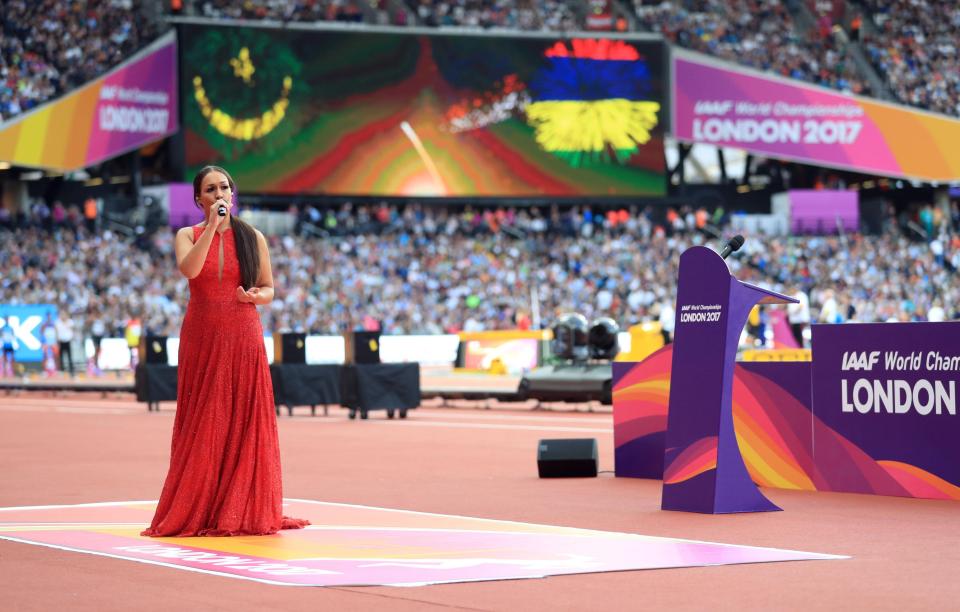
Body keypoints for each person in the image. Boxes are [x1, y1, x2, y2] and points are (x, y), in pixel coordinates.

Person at [142, 166, 309, 537]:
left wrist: (254, 297)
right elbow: (190, 269)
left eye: (224, 187)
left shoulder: (253, 238)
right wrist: (213, 231)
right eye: (211, 189)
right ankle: (200, 505)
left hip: (243, 332)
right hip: (201, 336)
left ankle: (240, 505)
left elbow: (268, 288)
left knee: (242, 418)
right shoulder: (187, 235)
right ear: (199, 199)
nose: (219, 194)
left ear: (233, 194)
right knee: (204, 418)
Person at [55, 311, 76, 377]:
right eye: (62, 315)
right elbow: (56, 332)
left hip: (68, 341)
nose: (63, 316)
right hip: (61, 341)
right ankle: (61, 370)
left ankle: (71, 371)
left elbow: (73, 330)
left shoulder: (70, 322)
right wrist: (57, 340)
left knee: (69, 356)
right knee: (61, 357)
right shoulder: (57, 322)